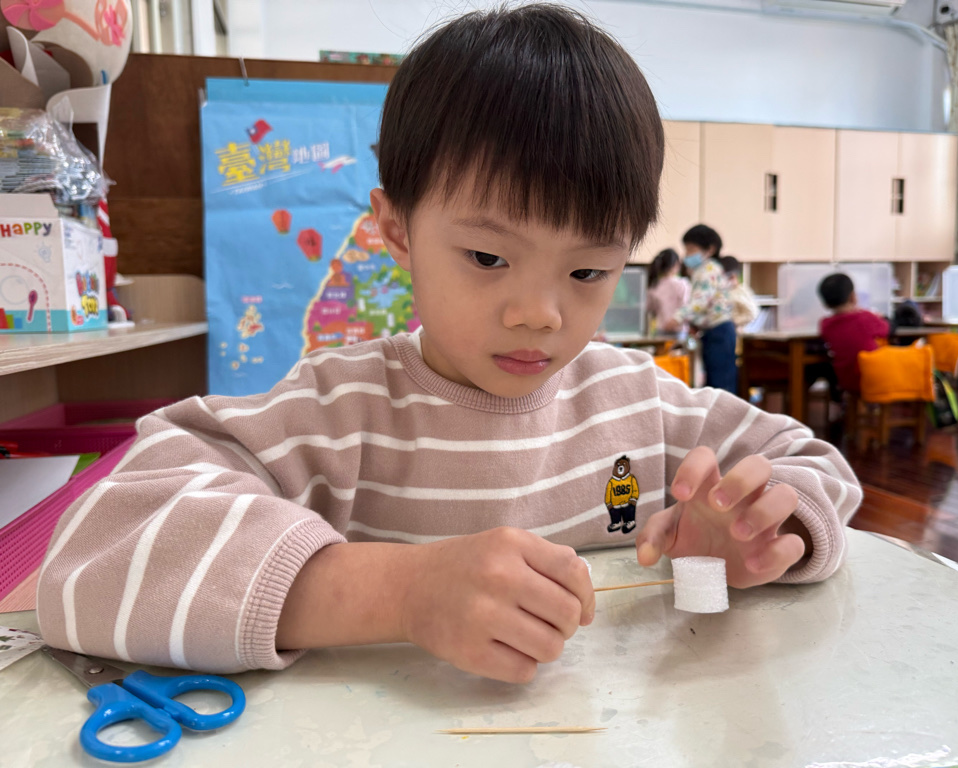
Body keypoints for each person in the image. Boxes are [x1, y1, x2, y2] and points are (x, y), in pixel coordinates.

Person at [37, 4, 861, 685]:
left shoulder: (639, 403)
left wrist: (758, 535)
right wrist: (396, 591)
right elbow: (95, 550)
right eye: (488, 258)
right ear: (396, 229)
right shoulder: (339, 414)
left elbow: (811, 464)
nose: (539, 314)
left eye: (588, 271)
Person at [676, 225, 738, 394]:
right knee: (714, 381)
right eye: (686, 249)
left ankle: (725, 412)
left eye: (691, 249)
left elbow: (700, 301)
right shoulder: (703, 270)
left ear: (710, 249)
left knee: (720, 383)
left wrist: (677, 317)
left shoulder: (709, 269)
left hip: (720, 331)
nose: (687, 254)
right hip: (714, 331)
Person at [818, 272, 892, 393]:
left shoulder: (825, 325)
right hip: (873, 378)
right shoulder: (865, 318)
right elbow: (886, 329)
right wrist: (880, 317)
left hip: (846, 380)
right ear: (853, 297)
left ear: (825, 303)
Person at [645, 248, 690, 335]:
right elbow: (687, 306)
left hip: (661, 328)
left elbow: (649, 307)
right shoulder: (682, 284)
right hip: (679, 330)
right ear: (676, 264)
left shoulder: (654, 285)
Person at [717, 255, 759, 330]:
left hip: (733, 329)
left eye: (730, 277)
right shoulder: (722, 290)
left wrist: (733, 322)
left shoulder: (740, 291)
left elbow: (752, 313)